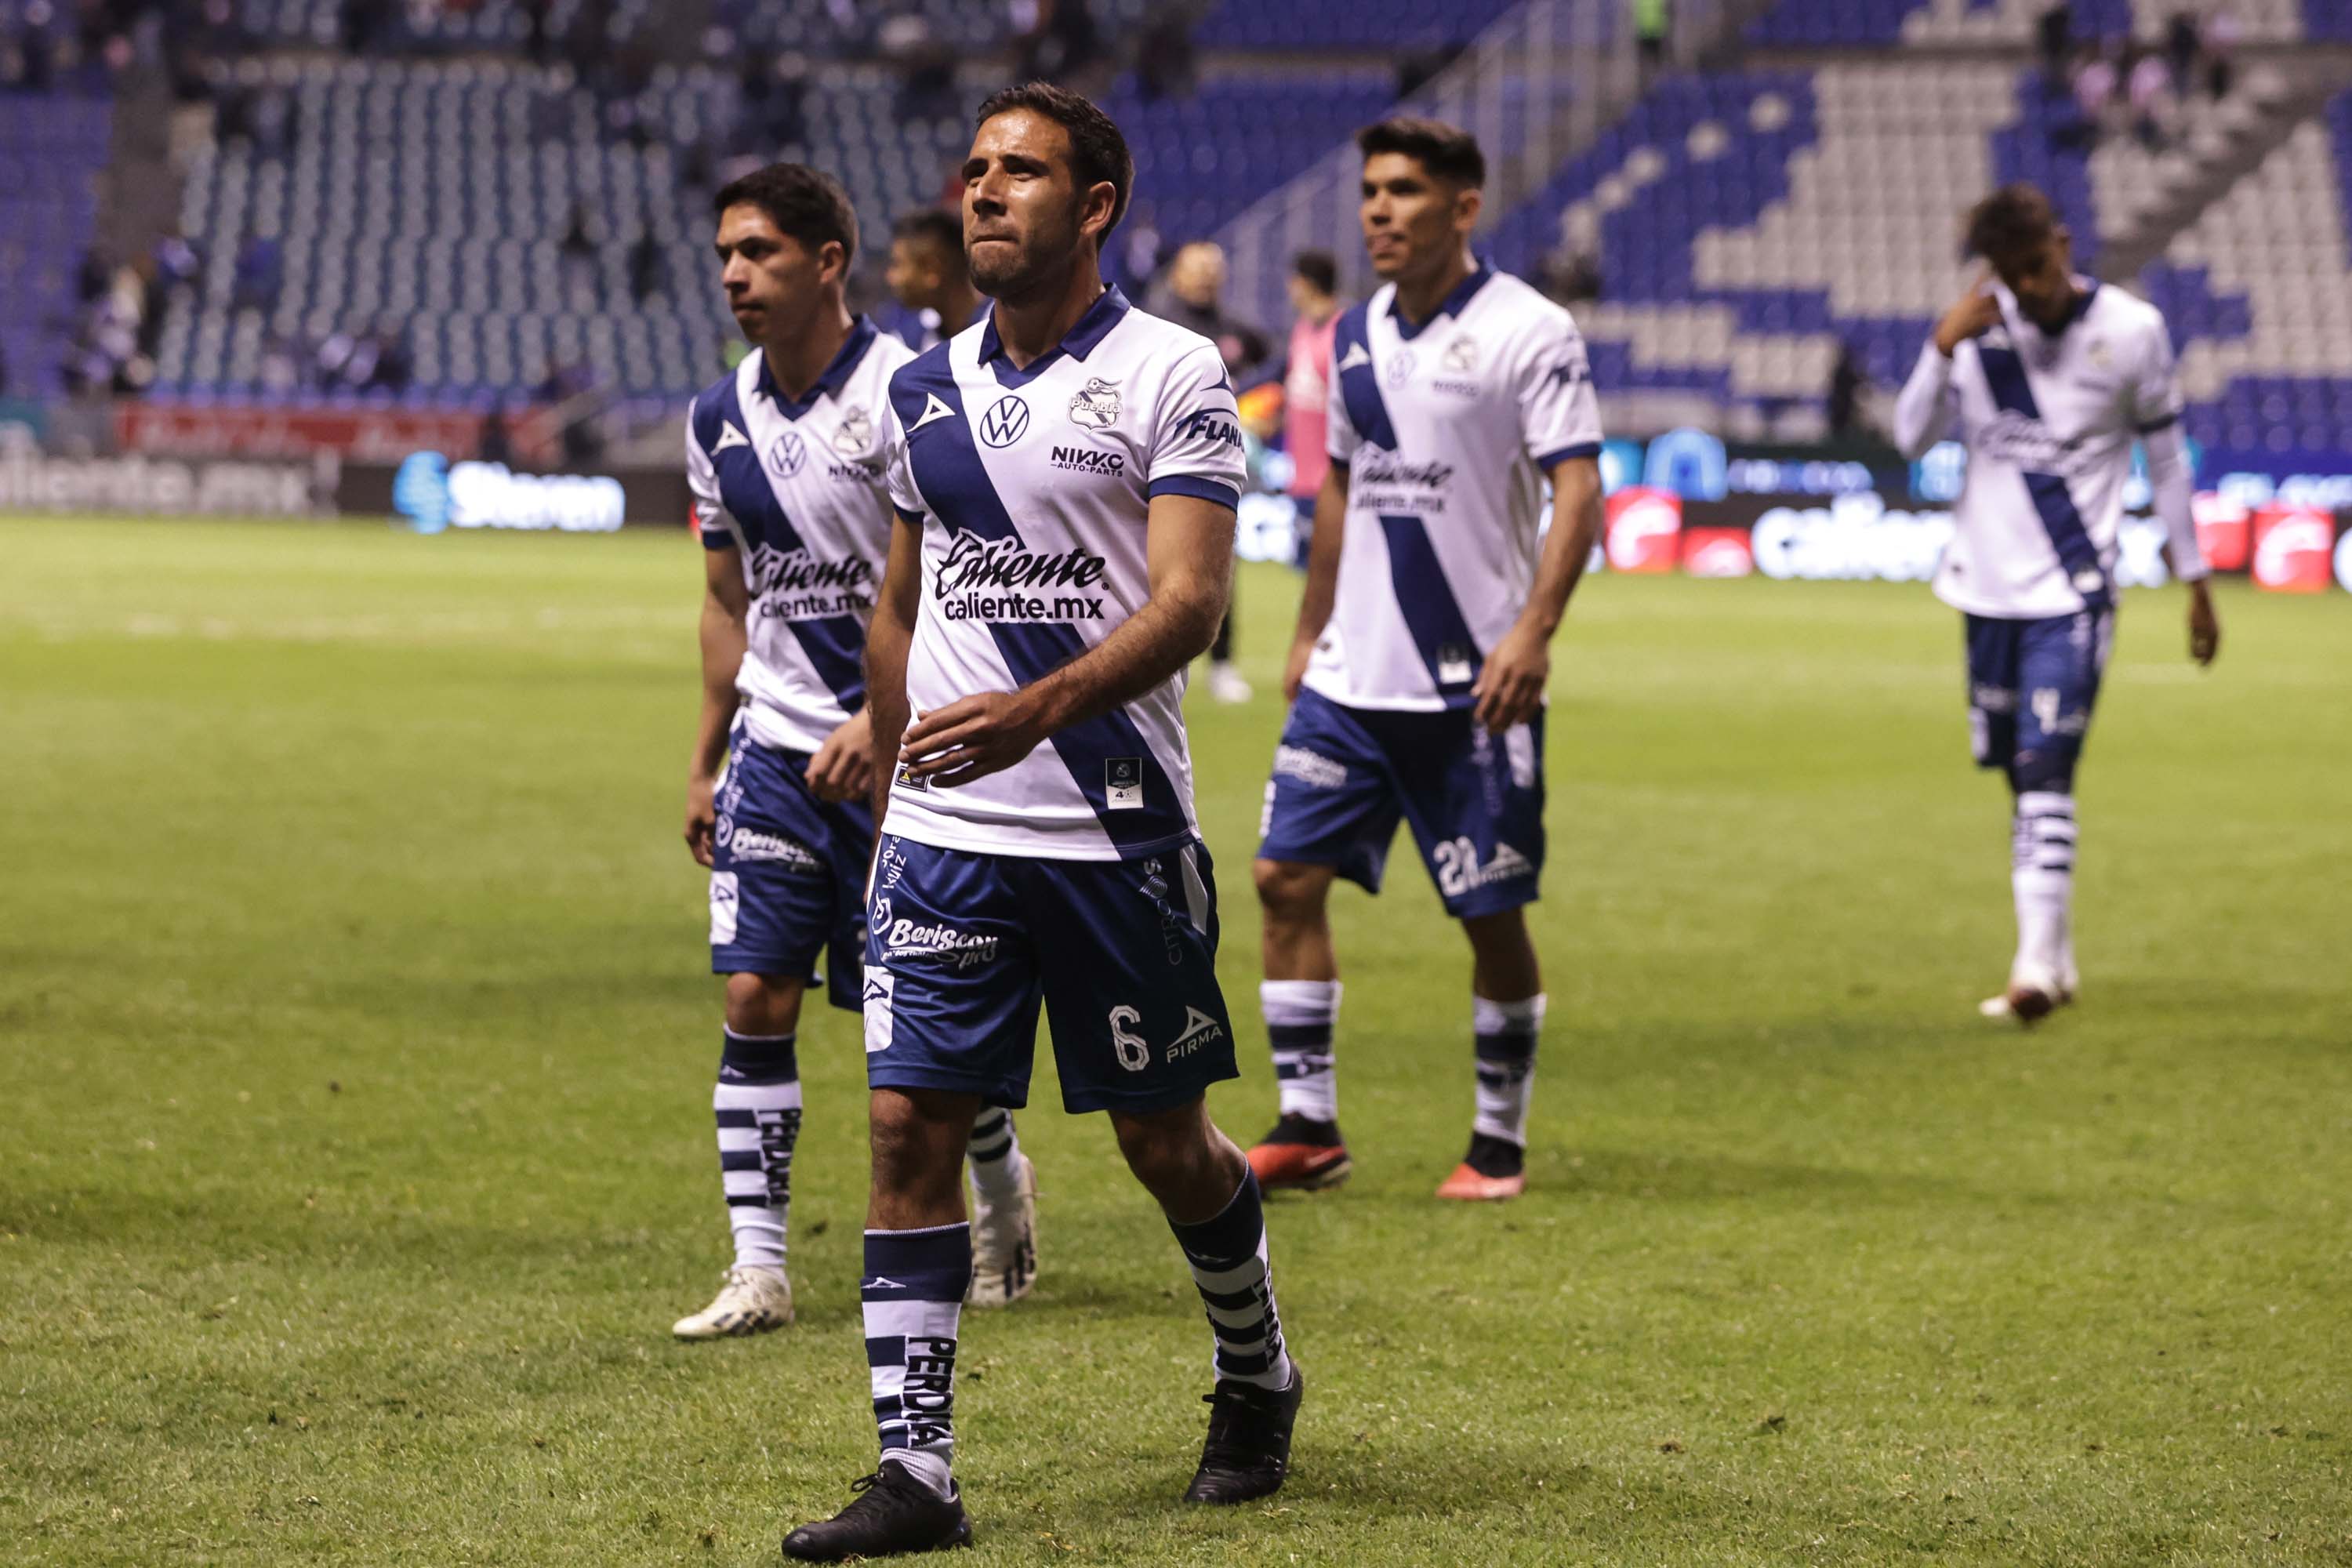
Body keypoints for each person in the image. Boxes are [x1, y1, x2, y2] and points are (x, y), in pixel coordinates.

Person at [780, 82, 1300, 1561]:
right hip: (947, 833)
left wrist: (1040, 707)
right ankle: (916, 1471)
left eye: (1024, 171)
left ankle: (1256, 1369)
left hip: (1113, 826)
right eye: (976, 169)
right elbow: (901, 598)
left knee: (1164, 1143)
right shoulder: (917, 389)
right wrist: (890, 751)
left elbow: (1192, 602)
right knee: (904, 1125)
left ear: (1097, 207)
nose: (987, 192)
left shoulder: (1173, 372)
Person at [676, 163, 1042, 1343]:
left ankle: (999, 1192)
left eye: (761, 253)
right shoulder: (715, 418)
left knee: (919, 1027)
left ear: (828, 263)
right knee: (753, 992)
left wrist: (876, 726)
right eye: (728, 253)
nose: (736, 274)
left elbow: (961, 581)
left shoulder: (912, 395)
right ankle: (761, 1270)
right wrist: (708, 755)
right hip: (778, 750)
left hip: (910, 752)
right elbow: (728, 599)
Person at [1244, 116, 1606, 1203]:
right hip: (1353, 681)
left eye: (1403, 190)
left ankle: (1498, 1139)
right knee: (1281, 878)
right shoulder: (1352, 335)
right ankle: (1308, 1124)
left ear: (1463, 205)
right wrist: (1309, 632)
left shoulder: (1530, 331)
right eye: (1369, 191)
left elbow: (1579, 491)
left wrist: (1534, 633)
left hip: (1472, 685)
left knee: (1488, 912)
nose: (1378, 211)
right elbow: (1343, 495)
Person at [1892, 183, 2218, 1024]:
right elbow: (1906, 438)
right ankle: (2057, 952)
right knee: (2014, 767)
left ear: (2064, 247)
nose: (2028, 289)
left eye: (2036, 269)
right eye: (2009, 275)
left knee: (2044, 767)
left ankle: (2033, 965)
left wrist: (2197, 582)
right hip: (1983, 589)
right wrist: (1937, 349)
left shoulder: (2132, 331)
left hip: (2074, 592)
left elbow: (2168, 461)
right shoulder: (1974, 335)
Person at [1155, 240, 1268, 704]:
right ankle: (1155, 665)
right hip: (1158, 468)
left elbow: (1269, 360)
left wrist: (1258, 406)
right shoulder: (1155, 325)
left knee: (1220, 567)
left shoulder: (1232, 330)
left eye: (1212, 269)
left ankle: (1222, 666)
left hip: (1216, 469)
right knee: (1153, 569)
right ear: (1176, 273)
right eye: (1196, 267)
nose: (1205, 276)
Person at [1279, 251, 1342, 568]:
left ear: (1305, 284)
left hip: (1333, 481)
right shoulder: (1301, 329)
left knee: (1331, 575)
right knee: (1307, 573)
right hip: (1301, 477)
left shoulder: (1343, 333)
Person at [882, 208, 983, 353]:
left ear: (931, 270)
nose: (890, 278)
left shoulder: (1005, 329)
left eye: (898, 264)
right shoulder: (911, 338)